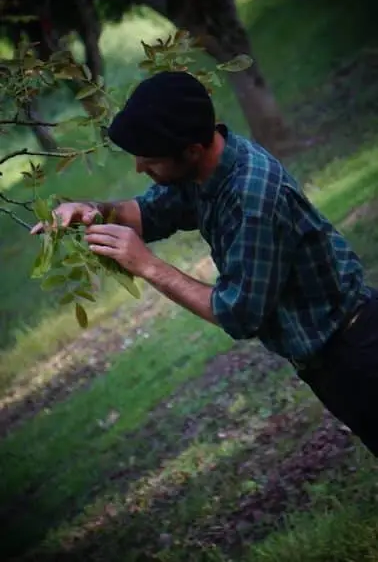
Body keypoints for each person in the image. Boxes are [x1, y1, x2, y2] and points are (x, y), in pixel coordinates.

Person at [31, 70, 378, 457]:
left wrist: (148, 266)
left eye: (150, 158)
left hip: (357, 353)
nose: (139, 168)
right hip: (329, 358)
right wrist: (93, 211)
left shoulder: (252, 199)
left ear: (192, 150)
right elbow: (150, 212)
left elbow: (239, 313)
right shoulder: (209, 168)